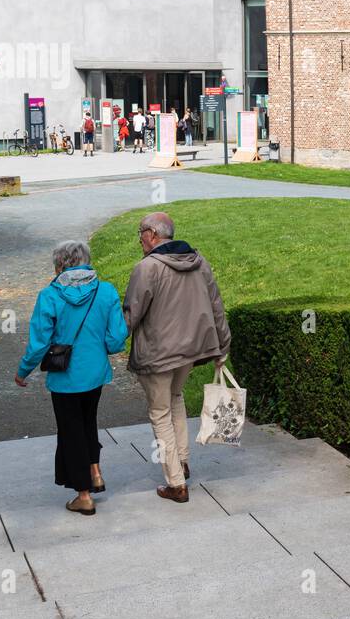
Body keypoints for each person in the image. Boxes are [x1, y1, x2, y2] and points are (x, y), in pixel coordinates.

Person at [123, 212, 230, 503]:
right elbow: (216, 304)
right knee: (176, 398)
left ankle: (175, 482)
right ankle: (181, 461)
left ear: (153, 235)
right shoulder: (199, 261)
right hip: (190, 351)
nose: (139, 239)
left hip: (158, 354)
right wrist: (223, 345)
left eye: (140, 233)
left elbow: (131, 313)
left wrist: (109, 339)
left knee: (160, 412)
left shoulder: (147, 268)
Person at [15, 240, 128, 516]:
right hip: (95, 373)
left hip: (65, 378)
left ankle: (84, 494)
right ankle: (95, 470)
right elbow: (116, 339)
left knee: (71, 431)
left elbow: (39, 344)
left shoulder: (49, 296)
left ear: (59, 264)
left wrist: (23, 370)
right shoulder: (106, 291)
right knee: (89, 422)